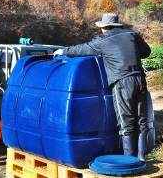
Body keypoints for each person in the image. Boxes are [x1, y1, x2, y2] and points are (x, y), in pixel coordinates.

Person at [54, 13, 151, 162]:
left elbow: (83, 49)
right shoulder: (132, 34)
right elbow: (146, 51)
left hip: (122, 81)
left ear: (104, 28)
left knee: (126, 121)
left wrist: (64, 51)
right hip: (140, 79)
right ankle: (142, 158)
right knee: (141, 120)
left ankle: (130, 161)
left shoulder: (104, 40)